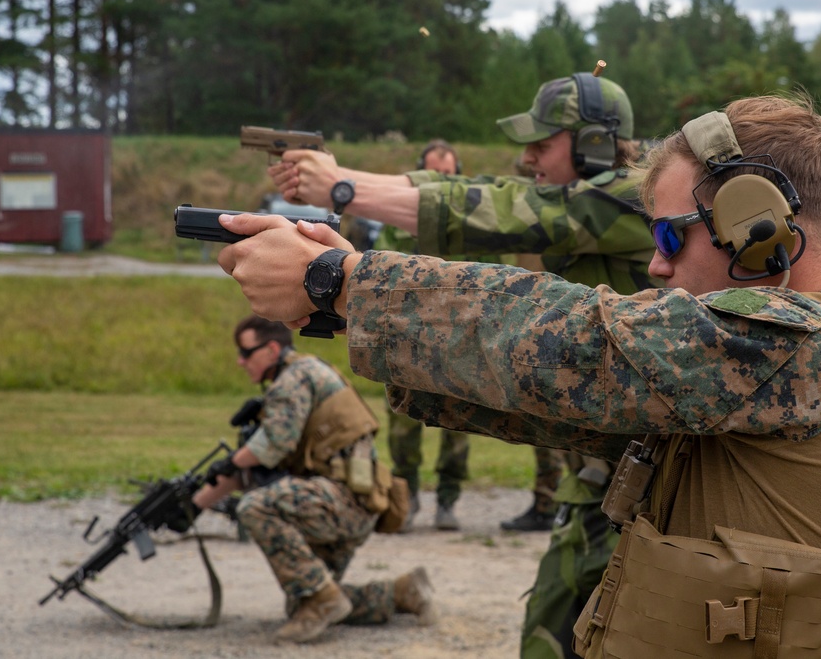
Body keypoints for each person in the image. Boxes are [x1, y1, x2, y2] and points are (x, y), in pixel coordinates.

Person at [215, 92, 821, 657]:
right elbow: (566, 398)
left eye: (668, 236)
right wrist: (353, 310)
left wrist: (343, 282)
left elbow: (577, 341)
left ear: (759, 226)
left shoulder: (799, 345)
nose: (655, 265)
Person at [269, 72, 660, 538]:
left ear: (595, 143)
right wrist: (341, 179)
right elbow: (477, 189)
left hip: (646, 480)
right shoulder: (586, 199)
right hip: (604, 476)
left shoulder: (631, 198)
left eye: (542, 142)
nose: (527, 155)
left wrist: (343, 189)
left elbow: (500, 208)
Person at [190, 316, 434, 644]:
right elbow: (253, 466)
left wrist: (230, 461)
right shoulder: (301, 375)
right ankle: (403, 592)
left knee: (256, 507)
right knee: (300, 603)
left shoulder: (293, 379)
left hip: (342, 502)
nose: (240, 361)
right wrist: (194, 505)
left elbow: (272, 446)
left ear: (272, 348)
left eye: (246, 353)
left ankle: (323, 599)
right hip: (350, 503)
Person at [376, 138, 475, 532]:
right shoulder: (399, 221)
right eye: (435, 174)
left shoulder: (473, 220)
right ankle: (409, 497)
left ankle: (448, 501)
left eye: (448, 174)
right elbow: (381, 268)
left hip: (457, 339)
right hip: (406, 337)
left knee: (459, 426)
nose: (442, 181)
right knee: (402, 425)